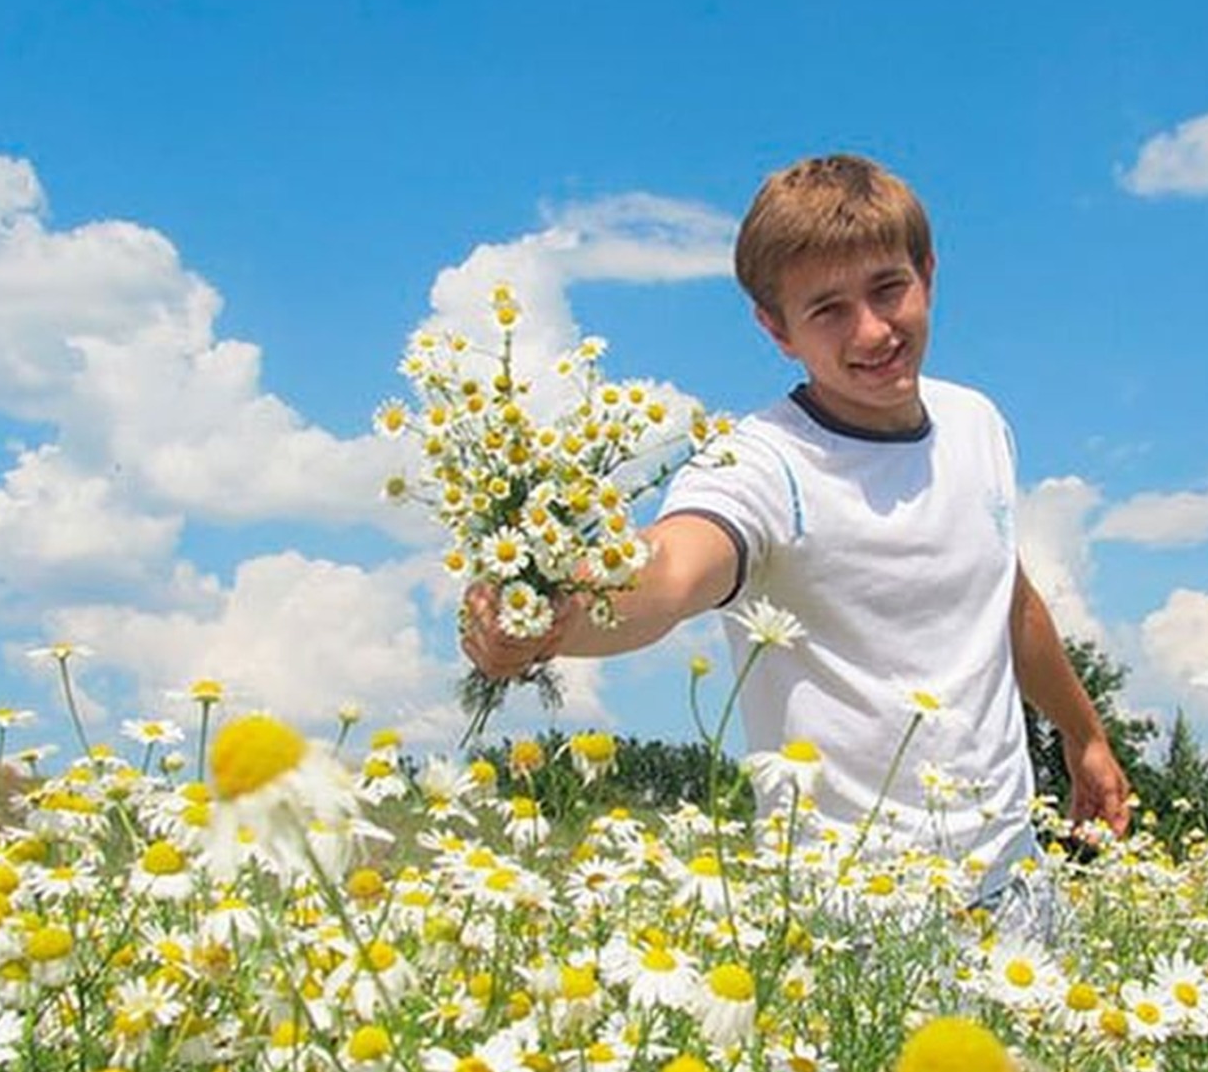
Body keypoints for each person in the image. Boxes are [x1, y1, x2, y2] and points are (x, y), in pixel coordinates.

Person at [460, 153, 1129, 903]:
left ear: (928, 274)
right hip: (861, 916)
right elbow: (674, 568)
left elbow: (1005, 598)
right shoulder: (760, 465)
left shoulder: (978, 425)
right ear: (776, 328)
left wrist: (1085, 734)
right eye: (827, 309)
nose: (872, 330)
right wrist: (552, 616)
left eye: (888, 288)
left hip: (1016, 882)